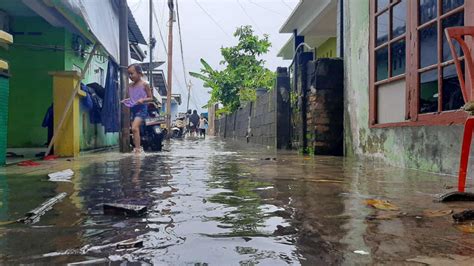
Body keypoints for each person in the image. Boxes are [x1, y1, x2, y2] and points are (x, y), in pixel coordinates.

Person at [121, 64, 153, 154]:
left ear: (139, 73)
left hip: (142, 108)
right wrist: (125, 101)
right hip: (133, 108)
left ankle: (138, 149)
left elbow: (151, 98)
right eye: (129, 74)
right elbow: (132, 98)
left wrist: (143, 99)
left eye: (132, 73)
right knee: (134, 129)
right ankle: (137, 149)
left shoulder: (145, 84)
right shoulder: (130, 86)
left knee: (134, 127)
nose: (130, 76)